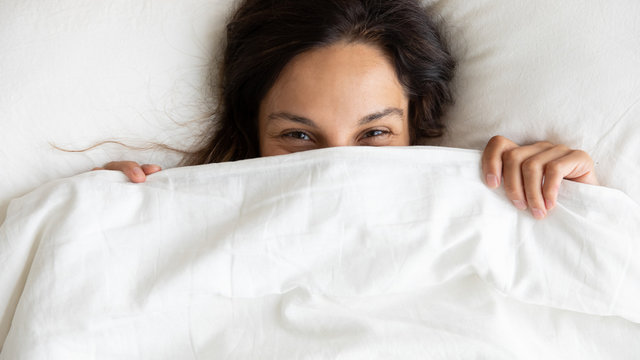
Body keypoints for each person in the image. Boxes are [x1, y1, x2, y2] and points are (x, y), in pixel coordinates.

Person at [92, 0, 598, 220]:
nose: (338, 166)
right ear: (254, 128)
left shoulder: (480, 204)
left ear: (414, 122)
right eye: (299, 136)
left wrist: (576, 210)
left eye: (374, 134)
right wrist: (108, 220)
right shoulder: (189, 215)